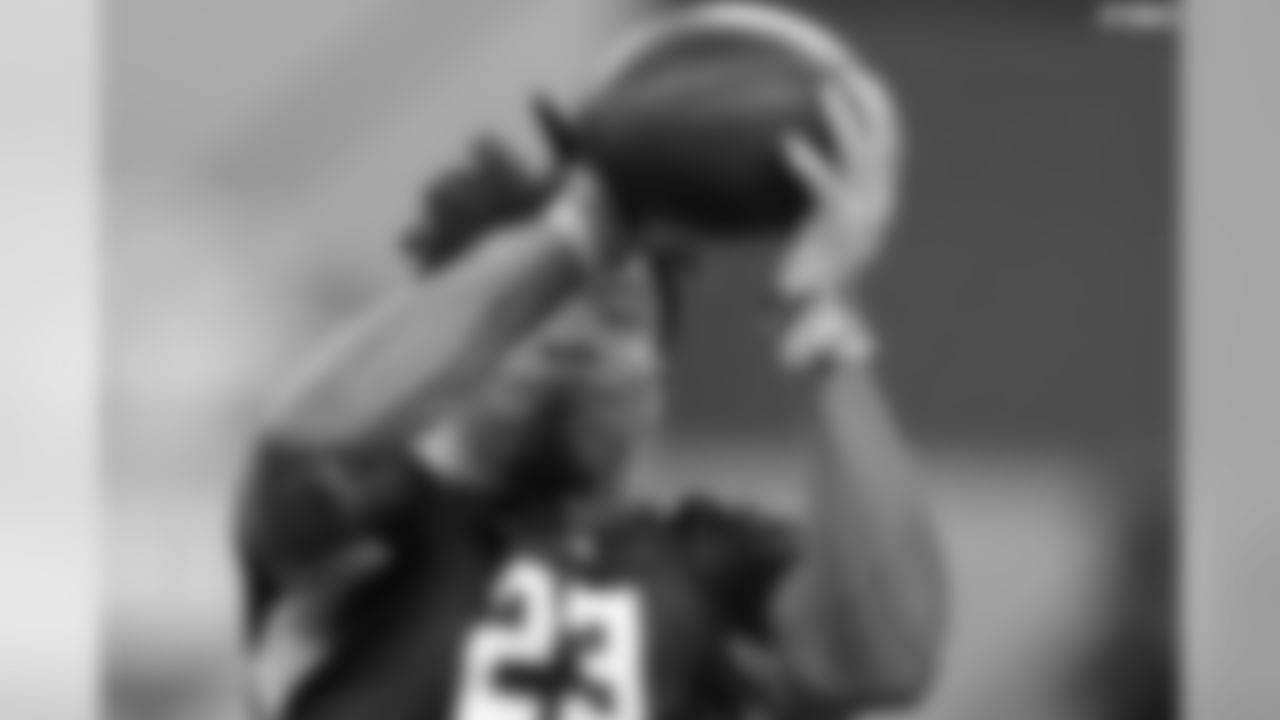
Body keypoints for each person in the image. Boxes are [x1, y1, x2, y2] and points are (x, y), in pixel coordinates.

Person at [233, 6, 947, 719]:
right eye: (537, 313)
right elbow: (306, 449)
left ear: (659, 377)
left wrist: (817, 320)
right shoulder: (370, 536)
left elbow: (890, 659)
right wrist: (576, 236)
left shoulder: (722, 575)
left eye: (617, 313)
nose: (574, 341)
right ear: (446, 364)